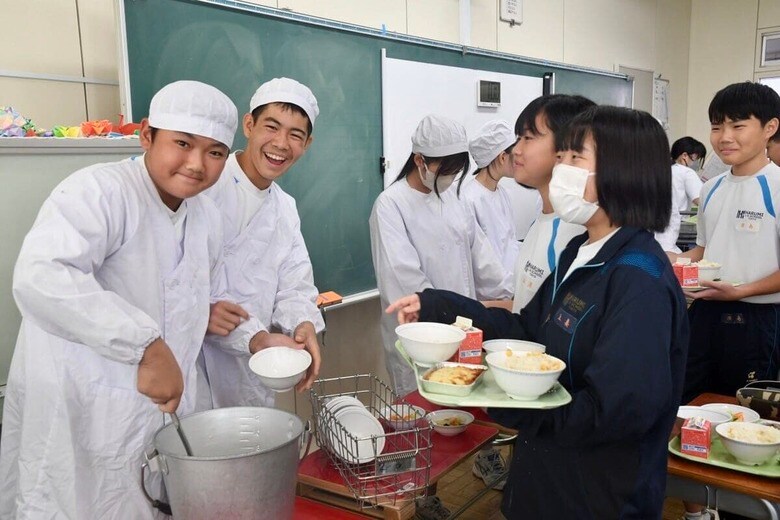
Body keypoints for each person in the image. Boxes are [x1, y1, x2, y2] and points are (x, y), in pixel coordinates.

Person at [388, 106, 688, 519]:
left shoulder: (640, 280)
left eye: (574, 158)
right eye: (560, 156)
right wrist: (439, 305)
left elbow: (613, 413)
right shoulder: (579, 252)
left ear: (623, 170)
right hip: (544, 479)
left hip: (597, 498)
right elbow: (527, 330)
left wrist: (504, 401)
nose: (561, 169)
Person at [0, 81, 267, 519]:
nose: (197, 164)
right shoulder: (99, 191)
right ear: (147, 136)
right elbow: (40, 276)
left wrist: (245, 333)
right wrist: (143, 345)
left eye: (215, 152)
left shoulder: (204, 217)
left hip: (154, 417)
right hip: (82, 412)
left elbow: (191, 296)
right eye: (183, 143)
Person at [201, 77, 323, 408]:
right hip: (190, 366)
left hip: (250, 372)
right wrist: (253, 337)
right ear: (249, 124)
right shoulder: (202, 185)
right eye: (272, 127)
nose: (281, 143)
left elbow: (295, 285)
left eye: (295, 135)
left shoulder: (285, 209)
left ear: (307, 143)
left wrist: (303, 323)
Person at [672, 82, 780, 401]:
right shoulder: (711, 188)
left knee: (742, 408)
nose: (725, 137)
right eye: (717, 127)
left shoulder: (776, 186)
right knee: (689, 400)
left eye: (738, 125)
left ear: (770, 128)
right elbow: (704, 251)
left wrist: (740, 291)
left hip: (758, 320)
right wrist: (671, 263)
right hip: (705, 311)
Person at [485, 95, 595, 312]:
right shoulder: (543, 221)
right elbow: (526, 310)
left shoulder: (577, 233)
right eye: (518, 138)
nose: (516, 149)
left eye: (528, 137)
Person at [458, 119, 520, 278]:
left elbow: (509, 244)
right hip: (490, 293)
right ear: (503, 157)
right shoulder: (469, 199)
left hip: (511, 285)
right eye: (516, 153)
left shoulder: (502, 193)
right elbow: (479, 261)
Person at [654, 137, 705, 253]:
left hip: (658, 227)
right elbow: (702, 201)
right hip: (677, 227)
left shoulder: (662, 170)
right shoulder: (686, 172)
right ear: (685, 156)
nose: (697, 163)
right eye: (697, 158)